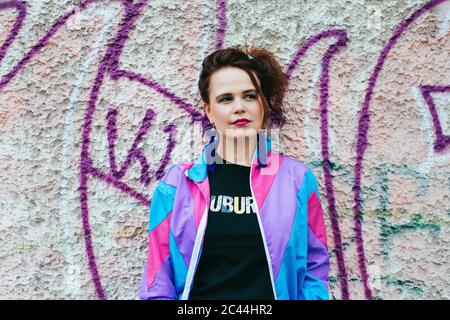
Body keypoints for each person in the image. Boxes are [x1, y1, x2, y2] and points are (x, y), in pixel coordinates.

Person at [138, 46, 330, 300]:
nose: (239, 107)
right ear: (209, 110)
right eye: (226, 99)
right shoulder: (177, 185)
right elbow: (157, 280)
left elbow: (315, 270)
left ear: (263, 104)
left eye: (250, 96)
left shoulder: (297, 180)